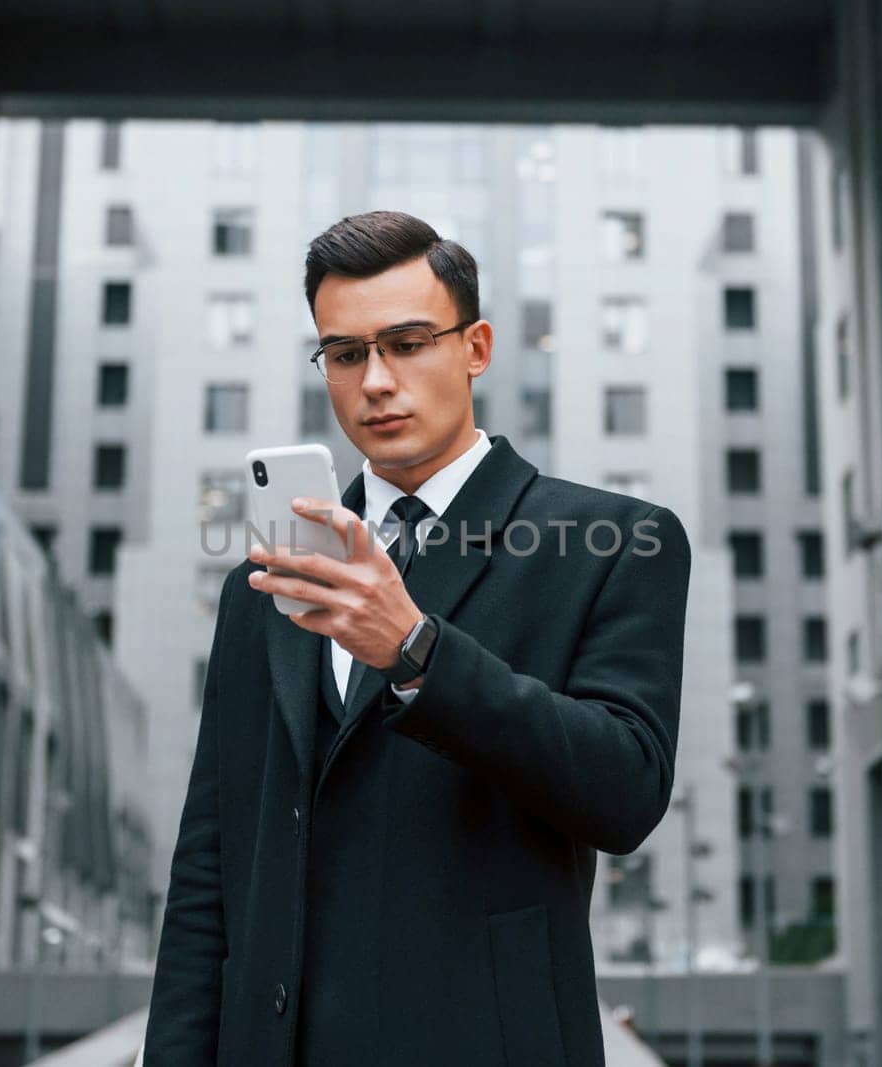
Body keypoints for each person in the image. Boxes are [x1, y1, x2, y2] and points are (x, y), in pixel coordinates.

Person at [142, 210, 691, 1066]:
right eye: (347, 353)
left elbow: (627, 790)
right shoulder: (266, 582)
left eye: (406, 343)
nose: (376, 382)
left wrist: (417, 652)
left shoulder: (615, 541)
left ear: (476, 347)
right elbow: (210, 861)